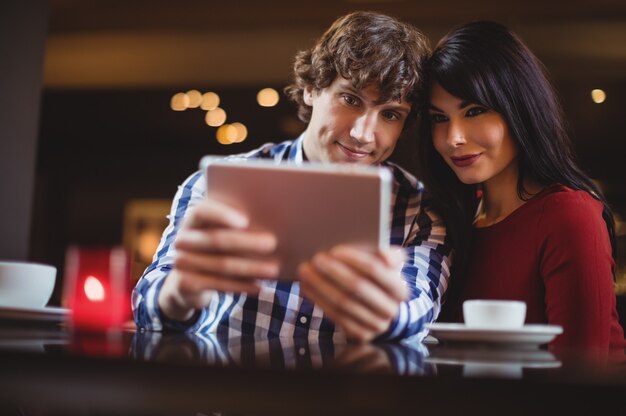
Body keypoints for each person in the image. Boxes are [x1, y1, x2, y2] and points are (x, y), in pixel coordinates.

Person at [132, 11, 451, 343]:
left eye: (389, 114)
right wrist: (181, 292)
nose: (363, 134)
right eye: (350, 99)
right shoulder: (215, 185)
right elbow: (149, 305)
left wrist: (387, 312)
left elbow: (417, 311)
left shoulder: (421, 213)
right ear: (312, 89)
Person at [417, 21, 626, 352]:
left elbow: (580, 375)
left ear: (519, 108)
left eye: (474, 111)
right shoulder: (454, 221)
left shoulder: (570, 216)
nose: (453, 138)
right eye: (439, 118)